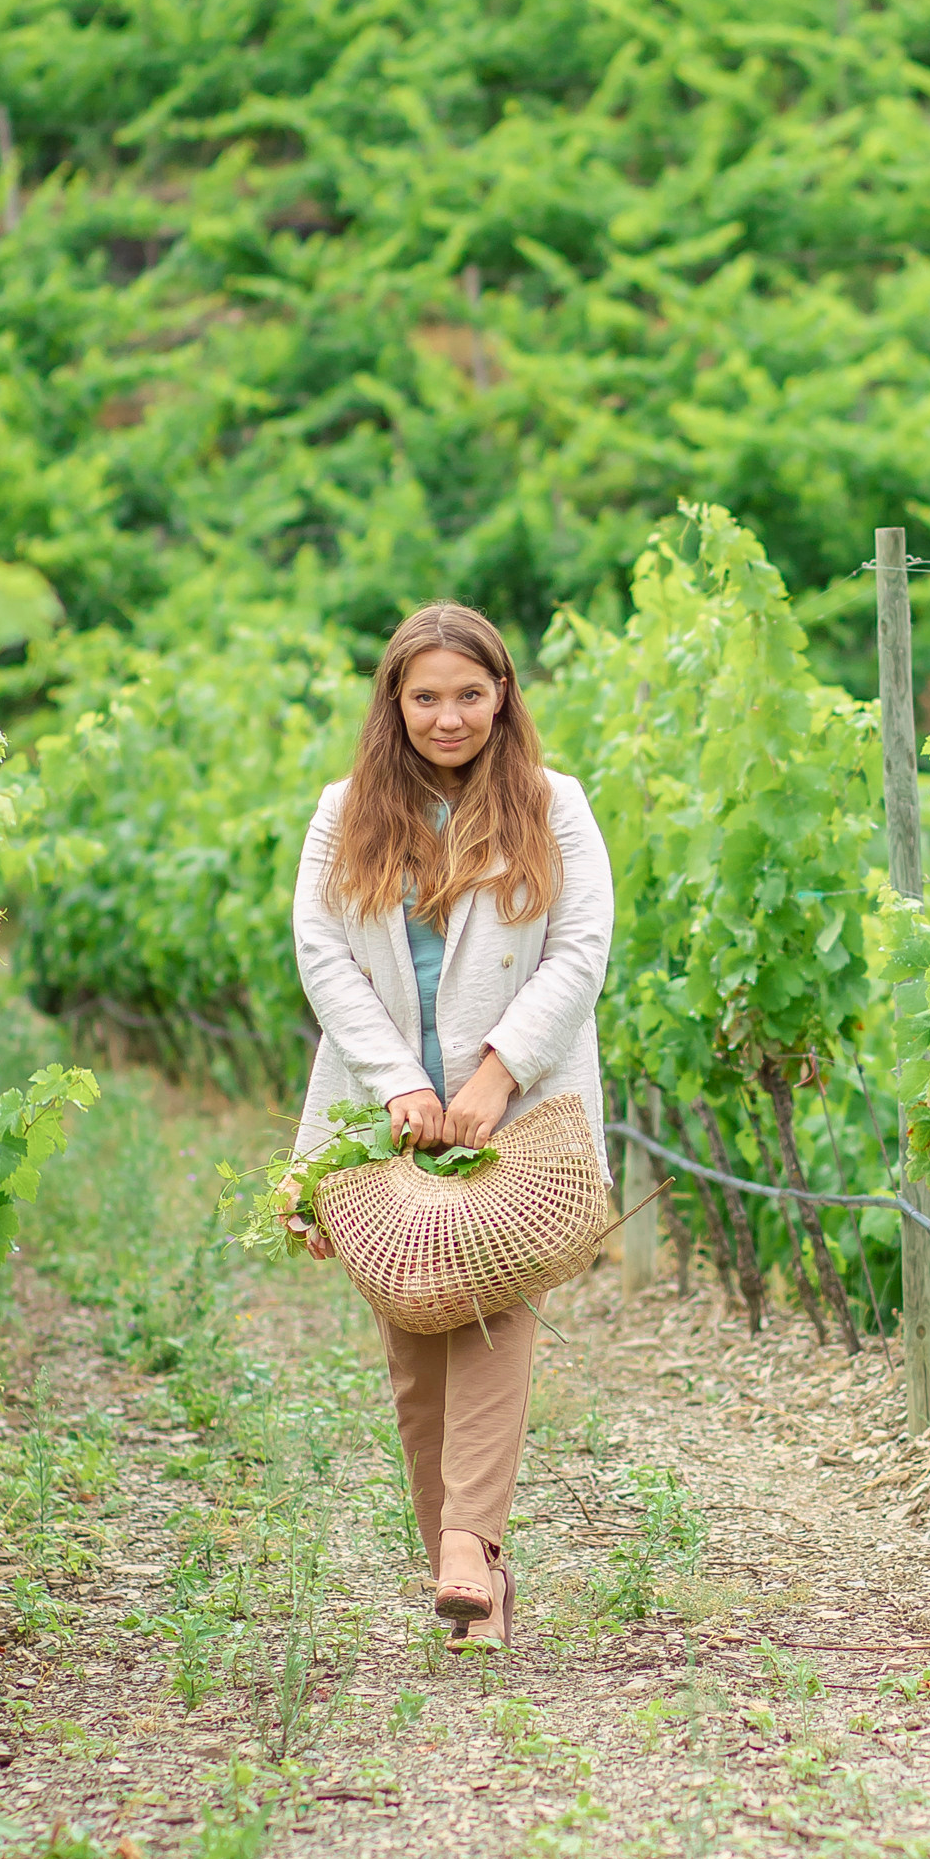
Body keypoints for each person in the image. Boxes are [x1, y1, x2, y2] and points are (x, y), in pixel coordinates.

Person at [289, 602, 615, 1651]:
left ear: (504, 695)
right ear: (394, 701)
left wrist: (495, 1071)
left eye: (469, 694)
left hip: (513, 1110)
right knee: (412, 1329)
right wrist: (396, 1082)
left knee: (494, 1309)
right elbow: (322, 955)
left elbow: (580, 950)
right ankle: (468, 1573)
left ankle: (469, 1544)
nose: (448, 716)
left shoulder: (553, 806)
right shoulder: (345, 813)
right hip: (387, 1113)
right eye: (426, 696)